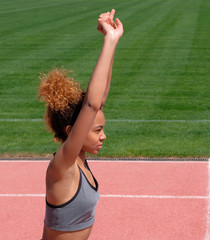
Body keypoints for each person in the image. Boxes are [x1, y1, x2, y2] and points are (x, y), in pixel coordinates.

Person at [38, 9, 123, 240]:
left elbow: (99, 99)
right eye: (97, 131)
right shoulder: (63, 165)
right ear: (71, 131)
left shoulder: (79, 160)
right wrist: (109, 40)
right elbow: (91, 105)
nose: (103, 136)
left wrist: (112, 43)